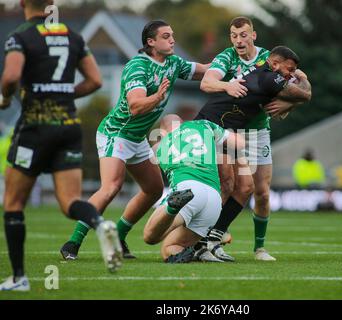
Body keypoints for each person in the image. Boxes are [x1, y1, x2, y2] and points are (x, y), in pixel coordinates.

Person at [60, 20, 209, 260]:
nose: (172, 40)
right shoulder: (137, 66)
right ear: (151, 42)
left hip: (137, 137)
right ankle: (72, 243)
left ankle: (119, 237)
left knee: (153, 190)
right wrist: (157, 96)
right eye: (166, 36)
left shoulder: (173, 62)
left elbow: (204, 70)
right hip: (116, 133)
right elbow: (136, 105)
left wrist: (229, 65)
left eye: (172, 35)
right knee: (111, 187)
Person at [0, 0, 122, 292]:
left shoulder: (20, 36)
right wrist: (65, 95)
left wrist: (5, 98)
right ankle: (100, 224)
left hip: (35, 127)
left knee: (14, 203)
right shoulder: (72, 35)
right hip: (69, 127)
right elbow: (94, 80)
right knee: (69, 202)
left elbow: (12, 77)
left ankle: (19, 278)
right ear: (52, 4)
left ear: (22, 3)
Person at [199, 16, 312, 262]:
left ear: (253, 35)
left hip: (258, 131)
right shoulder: (226, 57)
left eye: (243, 35)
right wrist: (227, 86)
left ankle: (259, 248)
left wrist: (286, 104)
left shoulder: (271, 58)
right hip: (230, 130)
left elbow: (304, 85)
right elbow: (207, 82)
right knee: (228, 186)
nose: (238, 41)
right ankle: (208, 239)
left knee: (261, 192)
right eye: (234, 35)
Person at [143, 114, 245, 263]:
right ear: (183, 123)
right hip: (214, 200)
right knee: (170, 246)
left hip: (187, 189)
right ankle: (192, 251)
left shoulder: (158, 146)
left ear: (162, 133)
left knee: (150, 237)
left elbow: (141, 169)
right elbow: (240, 143)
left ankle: (172, 207)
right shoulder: (204, 125)